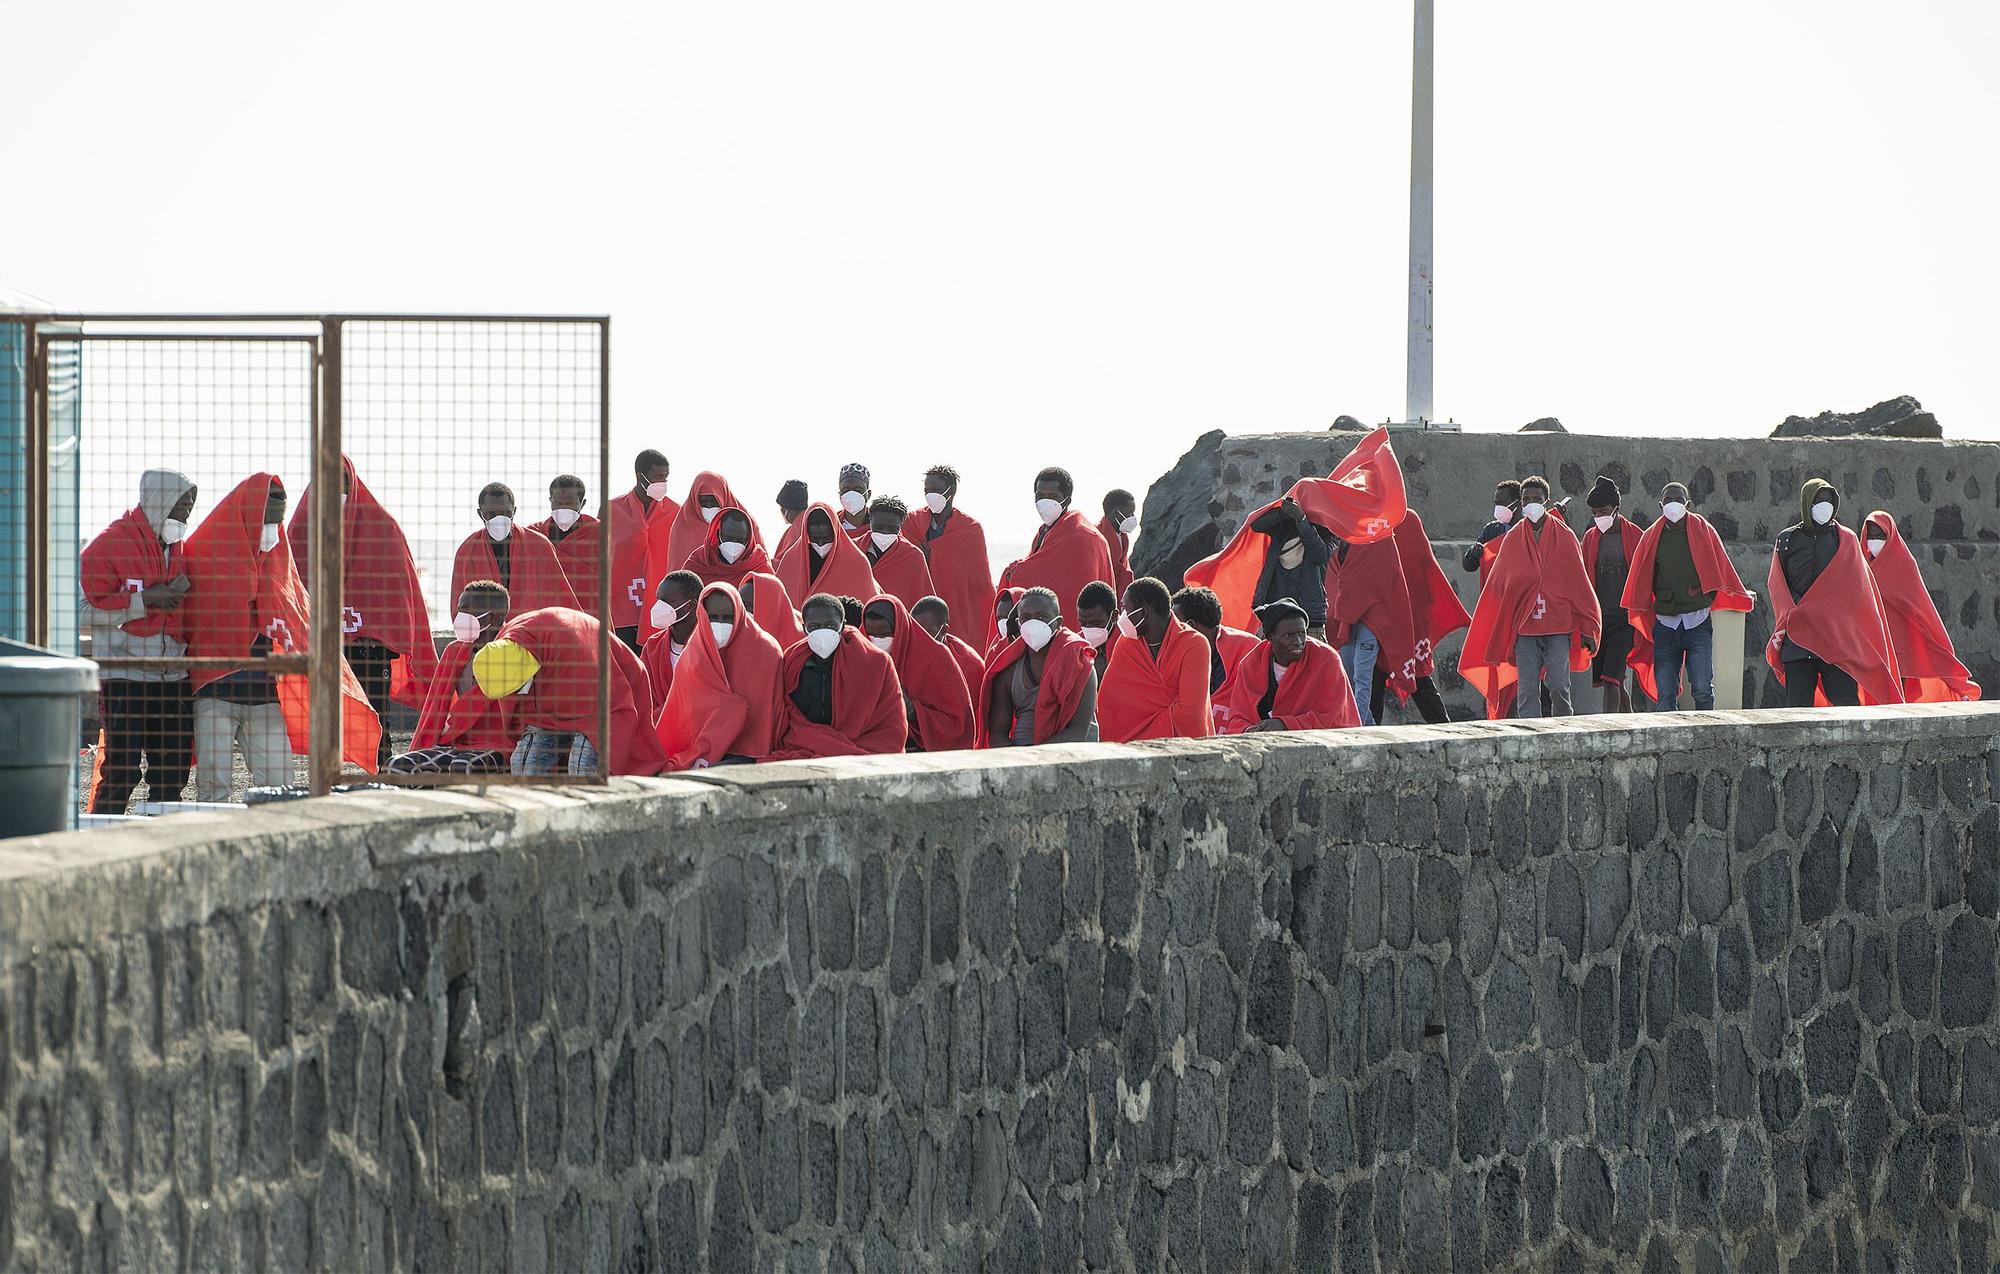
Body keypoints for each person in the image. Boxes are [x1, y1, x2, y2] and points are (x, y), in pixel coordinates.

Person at [182, 474, 380, 798]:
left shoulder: (279, 559)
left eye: (277, 522)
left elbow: (296, 615)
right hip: (213, 691)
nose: (271, 531)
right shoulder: (204, 553)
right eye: (266, 521)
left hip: (263, 693)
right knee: (213, 784)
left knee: (280, 783)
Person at [290, 457, 441, 769]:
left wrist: (381, 629)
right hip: (323, 651)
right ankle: (326, 780)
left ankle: (382, 777)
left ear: (351, 483)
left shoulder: (382, 527)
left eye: (341, 482)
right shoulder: (303, 527)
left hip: (370, 651)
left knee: (376, 718)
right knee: (325, 720)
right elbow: (291, 584)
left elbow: (400, 590)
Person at [80, 469, 197, 811]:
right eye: (180, 508)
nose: (185, 517)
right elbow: (79, 609)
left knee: (172, 772)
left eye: (189, 510)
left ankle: (158, 841)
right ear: (159, 503)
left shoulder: (179, 549)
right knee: (121, 771)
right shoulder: (108, 544)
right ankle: (100, 843)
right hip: (125, 676)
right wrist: (142, 602)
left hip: (171, 677)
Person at [1459, 476, 1600, 719]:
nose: (1532, 503)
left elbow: (1579, 584)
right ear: (1521, 503)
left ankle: (1564, 733)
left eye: (1537, 499)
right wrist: (1497, 622)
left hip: (1558, 625)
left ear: (1546, 501)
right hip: (1524, 628)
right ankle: (1530, 739)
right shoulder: (1512, 538)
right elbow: (1499, 584)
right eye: (1527, 499)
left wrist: (1589, 626)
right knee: (1526, 690)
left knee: (1558, 686)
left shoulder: (1565, 537)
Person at [471, 606, 667, 776]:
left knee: (584, 768)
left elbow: (615, 708)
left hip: (608, 692)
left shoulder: (580, 662)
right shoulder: (502, 649)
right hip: (552, 700)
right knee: (524, 765)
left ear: (534, 667)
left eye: (520, 688)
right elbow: (517, 715)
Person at [1620, 481, 1754, 712]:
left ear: (1688, 504)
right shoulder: (1652, 537)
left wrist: (1702, 590)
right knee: (1665, 695)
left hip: (1698, 621)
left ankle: (1708, 739)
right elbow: (1642, 581)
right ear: (1661, 505)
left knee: (1702, 687)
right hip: (1665, 624)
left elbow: (1719, 571)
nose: (1674, 505)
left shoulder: (1705, 532)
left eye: (1679, 500)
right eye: (1669, 500)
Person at [1767, 479, 1901, 707]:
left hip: (1836, 641)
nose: (1824, 505)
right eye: (1819, 500)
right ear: (1807, 502)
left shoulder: (1845, 540)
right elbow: (1777, 586)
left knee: (1847, 709)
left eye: (1829, 500)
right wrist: (1791, 617)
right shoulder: (1787, 540)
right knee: (1797, 713)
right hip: (1799, 640)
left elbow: (1859, 592)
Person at [655, 582, 789, 769]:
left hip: (751, 756)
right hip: (705, 752)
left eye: (727, 618)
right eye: (712, 617)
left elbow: (770, 713)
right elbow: (684, 715)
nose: (719, 624)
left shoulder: (767, 651)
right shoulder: (693, 653)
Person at [389, 580, 513, 775]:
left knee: (463, 767)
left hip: (499, 746)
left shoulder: (512, 652)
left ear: (495, 617)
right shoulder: (454, 651)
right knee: (397, 765)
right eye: (458, 611)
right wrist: (425, 744)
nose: (459, 617)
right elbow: (435, 706)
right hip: (457, 740)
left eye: (467, 611)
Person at [770, 593, 907, 758]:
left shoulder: (876, 662)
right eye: (814, 627)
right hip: (804, 746)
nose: (822, 632)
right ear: (804, 627)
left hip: (864, 749)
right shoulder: (792, 661)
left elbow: (891, 724)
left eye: (830, 625)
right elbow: (785, 715)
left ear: (842, 626)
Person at [1862, 511, 1980, 702]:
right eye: (1871, 536)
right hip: (1875, 641)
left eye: (1880, 535)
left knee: (1901, 691)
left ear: (1890, 536)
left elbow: (1920, 605)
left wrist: (1933, 636)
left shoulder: (1904, 564)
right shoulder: (1861, 566)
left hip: (1903, 641)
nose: (1875, 540)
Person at [1212, 599, 1361, 733]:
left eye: (1302, 633)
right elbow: (1238, 717)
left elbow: (1335, 718)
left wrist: (1284, 724)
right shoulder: (1251, 663)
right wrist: (1250, 731)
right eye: (1288, 635)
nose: (1298, 641)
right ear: (1270, 637)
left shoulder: (1327, 659)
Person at [1374, 509, 1465, 725]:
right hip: (1379, 613)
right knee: (1373, 675)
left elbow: (1423, 563)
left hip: (1411, 612)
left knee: (1416, 672)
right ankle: (1369, 732)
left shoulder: (1409, 519)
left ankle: (1445, 729)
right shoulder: (1368, 519)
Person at [997, 467, 1114, 632]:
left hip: (1078, 629)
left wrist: (1014, 571)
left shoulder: (1083, 536)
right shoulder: (1044, 531)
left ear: (1067, 500)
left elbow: (1061, 579)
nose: (1045, 501)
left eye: (1052, 497)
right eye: (1040, 496)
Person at [1098, 576, 1214, 742]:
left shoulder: (1195, 644)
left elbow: (1190, 714)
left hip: (1182, 749)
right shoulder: (1126, 643)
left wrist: (1143, 733)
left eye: (1126, 609)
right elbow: (1110, 704)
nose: (1122, 616)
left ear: (1143, 612)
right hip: (1129, 751)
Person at [980, 586, 1100, 746]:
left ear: (1058, 623)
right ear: (1019, 622)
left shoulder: (1079, 663)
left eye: (1042, 617)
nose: (1033, 623)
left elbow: (1077, 733)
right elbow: (997, 734)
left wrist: (1033, 758)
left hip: (1072, 759)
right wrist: (1018, 762)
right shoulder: (1008, 669)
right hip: (1019, 758)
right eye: (1026, 618)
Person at [862, 594, 976, 752]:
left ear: (900, 629)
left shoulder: (936, 657)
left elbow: (958, 723)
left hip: (922, 753)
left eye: (885, 634)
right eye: (871, 634)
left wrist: (911, 709)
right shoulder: (860, 656)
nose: (877, 640)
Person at [1324, 531, 1416, 726]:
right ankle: (1367, 726)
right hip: (1346, 620)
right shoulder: (1336, 539)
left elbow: (1389, 579)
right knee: (1348, 676)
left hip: (1371, 621)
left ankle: (1358, 726)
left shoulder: (1381, 537)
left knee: (1362, 676)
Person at [901, 465, 995, 654]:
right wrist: (920, 557)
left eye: (935, 490)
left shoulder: (970, 529)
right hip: (919, 602)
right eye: (927, 490)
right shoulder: (912, 521)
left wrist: (934, 555)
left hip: (956, 605)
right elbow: (904, 557)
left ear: (951, 490)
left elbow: (979, 580)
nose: (930, 495)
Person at [450, 482, 577, 615]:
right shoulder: (467, 551)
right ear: (480, 513)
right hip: (486, 630)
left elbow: (560, 597)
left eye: (505, 513)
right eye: (490, 514)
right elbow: (458, 606)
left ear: (514, 511)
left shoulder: (539, 545)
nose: (498, 519)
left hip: (530, 629)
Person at [648, 471, 751, 635]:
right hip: (695, 619)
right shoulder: (682, 528)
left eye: (714, 501)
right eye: (704, 502)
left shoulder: (744, 524)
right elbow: (677, 577)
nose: (709, 507)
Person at [1577, 474, 1646, 713]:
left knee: (1610, 679)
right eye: (1595, 513)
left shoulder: (1636, 537)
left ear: (1616, 508)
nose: (1599, 517)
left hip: (1624, 619)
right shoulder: (1590, 539)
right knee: (1615, 678)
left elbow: (1646, 578)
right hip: (1600, 619)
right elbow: (1584, 582)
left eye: (1603, 511)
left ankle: (1609, 730)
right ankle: (1630, 722)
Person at [607, 451, 676, 651]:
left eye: (665, 477)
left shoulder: (675, 512)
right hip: (620, 612)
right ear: (640, 476)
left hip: (661, 609)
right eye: (657, 477)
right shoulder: (612, 510)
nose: (662, 482)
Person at [1247, 496, 1333, 638]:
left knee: (1313, 660)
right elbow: (1255, 524)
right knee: (1268, 660)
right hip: (1275, 615)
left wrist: (1302, 520)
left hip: (1309, 620)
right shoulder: (1283, 525)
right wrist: (1284, 512)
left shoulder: (1328, 530)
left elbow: (1320, 555)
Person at [777, 502, 879, 604]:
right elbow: (780, 602)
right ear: (806, 535)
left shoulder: (857, 563)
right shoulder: (790, 561)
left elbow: (866, 603)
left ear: (835, 533)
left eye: (826, 538)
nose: (820, 544)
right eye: (814, 539)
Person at [529, 474, 601, 611]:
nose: (562, 509)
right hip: (547, 608)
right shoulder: (534, 534)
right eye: (557, 503)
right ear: (550, 500)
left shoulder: (599, 532)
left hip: (588, 608)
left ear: (582, 503)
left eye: (569, 504)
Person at [1170, 585, 1257, 693]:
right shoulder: (1178, 660)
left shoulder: (1251, 649)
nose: (1170, 632)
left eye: (1174, 625)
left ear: (1190, 625)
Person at [641, 570, 705, 707]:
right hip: (660, 724)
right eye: (659, 599)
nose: (659, 607)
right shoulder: (652, 647)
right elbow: (644, 697)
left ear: (692, 605)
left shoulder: (710, 645)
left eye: (668, 601)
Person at [862, 497, 936, 607]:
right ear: (870, 519)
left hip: (897, 621)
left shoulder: (913, 556)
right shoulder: (853, 550)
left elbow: (924, 604)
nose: (885, 533)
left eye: (892, 529)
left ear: (901, 525)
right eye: (878, 527)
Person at [912, 595, 988, 699]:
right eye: (914, 631)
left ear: (944, 630)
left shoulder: (970, 666)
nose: (918, 638)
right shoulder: (904, 653)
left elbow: (965, 712)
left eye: (926, 632)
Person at [681, 506, 773, 588]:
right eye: (728, 538)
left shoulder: (759, 566)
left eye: (740, 540)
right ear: (718, 534)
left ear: (749, 539)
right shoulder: (698, 562)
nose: (733, 544)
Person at [1461, 480, 1523, 581]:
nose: (1498, 508)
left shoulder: (1530, 528)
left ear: (1518, 503)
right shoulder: (1491, 530)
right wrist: (1473, 553)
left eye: (1501, 504)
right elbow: (1469, 566)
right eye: (1496, 504)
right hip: (1498, 590)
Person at [738, 573, 805, 651]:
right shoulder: (736, 638)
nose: (742, 610)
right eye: (739, 604)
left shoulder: (800, 645)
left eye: (747, 605)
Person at [1098, 490, 1139, 596]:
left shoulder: (1123, 537)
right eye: (1130, 512)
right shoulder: (1097, 535)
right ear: (1117, 513)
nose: (1133, 516)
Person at [1076, 581, 1119, 679]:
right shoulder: (1075, 646)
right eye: (1083, 623)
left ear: (1114, 616)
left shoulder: (1130, 645)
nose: (1089, 629)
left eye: (1096, 623)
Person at [773, 479, 810, 563]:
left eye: (782, 508)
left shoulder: (798, 529)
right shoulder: (808, 521)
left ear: (787, 509)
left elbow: (786, 562)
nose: (781, 511)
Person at [837, 463, 873, 538]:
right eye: (846, 490)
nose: (851, 494)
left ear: (868, 494)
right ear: (840, 495)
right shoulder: (832, 525)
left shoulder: (881, 525)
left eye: (858, 490)